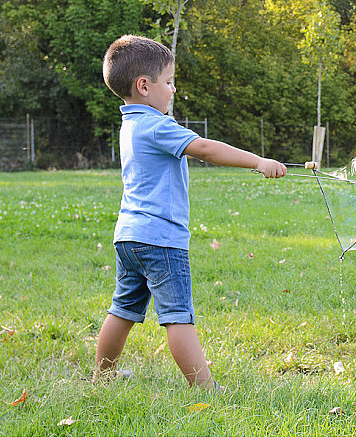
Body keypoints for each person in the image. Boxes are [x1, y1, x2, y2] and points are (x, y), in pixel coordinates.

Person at [94, 35, 287, 389]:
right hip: (161, 240)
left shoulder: (131, 123)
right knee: (178, 317)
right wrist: (258, 162)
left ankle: (103, 375)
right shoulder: (156, 124)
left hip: (129, 237)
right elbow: (204, 148)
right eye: (168, 82)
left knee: (122, 309)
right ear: (144, 86)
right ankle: (206, 389)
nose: (173, 89)